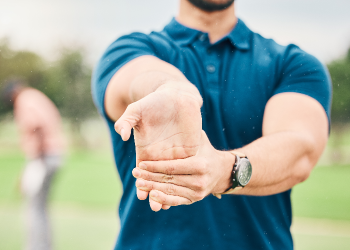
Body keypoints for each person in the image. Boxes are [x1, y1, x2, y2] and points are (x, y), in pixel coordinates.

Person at [92, 0, 331, 249]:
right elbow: (139, 76)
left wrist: (223, 170)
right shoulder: (128, 50)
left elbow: (299, 150)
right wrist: (170, 89)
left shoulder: (293, 65)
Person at [1, 79, 64, 250]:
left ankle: (36, 247)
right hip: (52, 155)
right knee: (40, 207)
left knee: (34, 208)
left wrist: (36, 160)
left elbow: (36, 125)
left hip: (43, 157)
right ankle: (44, 246)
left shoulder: (24, 99)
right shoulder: (35, 96)